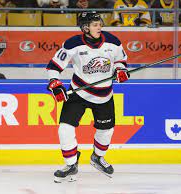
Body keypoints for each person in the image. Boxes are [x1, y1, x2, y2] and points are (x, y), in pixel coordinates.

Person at [46, 11, 129, 183]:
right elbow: (54, 66)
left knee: (106, 130)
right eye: (94, 24)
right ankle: (71, 164)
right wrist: (55, 82)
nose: (99, 27)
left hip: (104, 94)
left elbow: (121, 61)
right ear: (85, 28)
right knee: (65, 128)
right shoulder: (72, 44)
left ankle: (97, 158)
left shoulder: (113, 41)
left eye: (99, 23)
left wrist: (120, 70)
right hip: (79, 92)